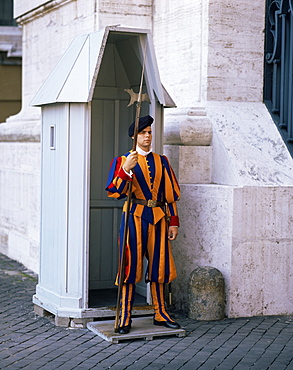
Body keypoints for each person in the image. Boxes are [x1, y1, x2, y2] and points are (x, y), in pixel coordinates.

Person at [105, 115, 181, 334]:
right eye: (142, 133)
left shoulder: (162, 161)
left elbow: (170, 196)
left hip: (158, 218)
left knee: (160, 267)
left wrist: (173, 222)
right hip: (134, 218)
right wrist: (126, 170)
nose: (147, 136)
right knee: (130, 267)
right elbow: (115, 192)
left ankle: (160, 313)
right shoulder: (122, 161)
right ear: (134, 136)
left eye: (149, 132)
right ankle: (125, 317)